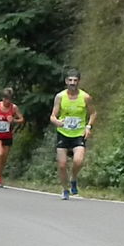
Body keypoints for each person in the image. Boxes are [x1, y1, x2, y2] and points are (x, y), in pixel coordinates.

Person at [49, 68, 96, 200]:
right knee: (62, 164)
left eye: (75, 80)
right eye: (70, 80)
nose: (72, 83)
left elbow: (93, 113)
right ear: (66, 81)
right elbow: (53, 116)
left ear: (79, 82)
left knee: (78, 161)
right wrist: (57, 122)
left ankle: (73, 178)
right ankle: (65, 189)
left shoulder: (85, 97)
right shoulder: (60, 97)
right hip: (63, 134)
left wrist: (88, 127)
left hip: (78, 134)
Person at [0, 88, 25, 187]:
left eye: (10, 99)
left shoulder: (14, 108)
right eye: (6, 99)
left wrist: (14, 121)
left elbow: (22, 119)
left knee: (4, 158)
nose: (8, 101)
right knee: (0, 153)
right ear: (3, 98)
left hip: (7, 136)